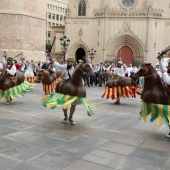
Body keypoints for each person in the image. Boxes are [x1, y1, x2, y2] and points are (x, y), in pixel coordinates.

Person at [49, 54, 77, 125]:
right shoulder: (64, 67)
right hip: (64, 81)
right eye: (67, 62)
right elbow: (55, 64)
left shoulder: (75, 69)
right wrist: (50, 56)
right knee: (59, 84)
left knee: (74, 103)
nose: (68, 63)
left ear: (73, 63)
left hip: (73, 84)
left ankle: (71, 118)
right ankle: (65, 117)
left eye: (69, 62)